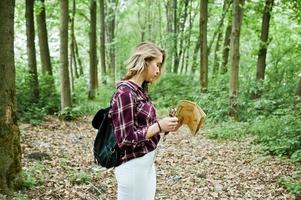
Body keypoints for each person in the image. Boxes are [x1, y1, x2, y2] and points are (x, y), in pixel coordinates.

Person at [109, 42, 181, 200]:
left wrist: (168, 124)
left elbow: (146, 127)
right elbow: (125, 139)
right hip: (132, 168)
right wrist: (158, 126)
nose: (158, 71)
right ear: (145, 61)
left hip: (146, 165)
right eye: (157, 64)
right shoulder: (125, 93)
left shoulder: (140, 90)